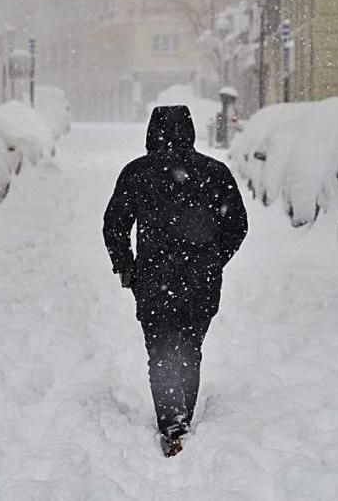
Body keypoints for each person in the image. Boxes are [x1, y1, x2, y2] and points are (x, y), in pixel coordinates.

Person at [103, 105, 248, 457]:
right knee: (189, 347)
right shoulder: (214, 173)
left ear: (152, 132)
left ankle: (172, 422)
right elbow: (237, 225)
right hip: (202, 279)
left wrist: (127, 266)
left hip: (154, 279)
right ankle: (180, 412)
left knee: (161, 350)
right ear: (191, 131)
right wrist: (215, 259)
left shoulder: (138, 173)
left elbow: (115, 225)